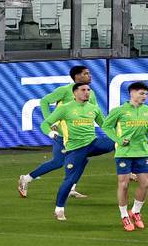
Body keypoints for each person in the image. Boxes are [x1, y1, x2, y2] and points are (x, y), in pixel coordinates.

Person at [19, 65, 93, 199]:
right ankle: (26, 178)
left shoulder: (89, 93)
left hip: (79, 135)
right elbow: (44, 101)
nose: (90, 76)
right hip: (62, 134)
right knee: (59, 162)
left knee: (82, 160)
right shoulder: (65, 90)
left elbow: (94, 110)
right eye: (86, 73)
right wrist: (51, 121)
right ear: (77, 77)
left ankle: (71, 188)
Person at [44, 81, 114, 221]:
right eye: (83, 90)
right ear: (75, 93)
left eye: (88, 89)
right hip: (75, 149)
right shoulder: (65, 108)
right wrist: (50, 133)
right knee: (69, 180)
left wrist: (118, 137)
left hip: (93, 144)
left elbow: (105, 126)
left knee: (116, 143)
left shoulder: (93, 108)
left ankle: (129, 170)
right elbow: (45, 123)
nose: (87, 92)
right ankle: (59, 209)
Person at [102, 81, 148, 231]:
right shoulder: (119, 110)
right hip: (124, 153)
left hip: (142, 151)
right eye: (141, 93)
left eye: (146, 94)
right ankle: (124, 216)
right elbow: (106, 127)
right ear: (132, 93)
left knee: (145, 184)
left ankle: (135, 212)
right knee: (124, 184)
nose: (145, 96)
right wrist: (119, 140)